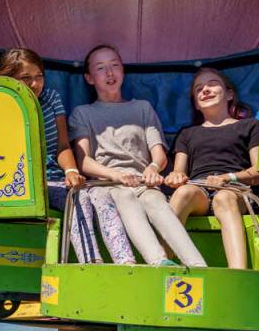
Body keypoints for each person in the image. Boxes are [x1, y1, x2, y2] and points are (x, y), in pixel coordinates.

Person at [69, 44, 206, 267]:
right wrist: (116, 175)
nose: (110, 73)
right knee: (126, 197)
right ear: (89, 78)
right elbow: (84, 161)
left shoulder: (142, 108)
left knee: (156, 200)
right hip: (108, 184)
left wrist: (152, 168)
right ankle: (158, 261)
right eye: (101, 68)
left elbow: (159, 154)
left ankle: (197, 264)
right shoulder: (83, 113)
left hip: (142, 181)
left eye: (115, 65)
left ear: (123, 71)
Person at [0, 48, 134, 264]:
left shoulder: (51, 99)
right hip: (20, 183)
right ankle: (90, 262)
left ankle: (125, 262)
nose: (35, 84)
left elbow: (62, 145)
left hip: (54, 178)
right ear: (9, 79)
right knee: (76, 199)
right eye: (26, 78)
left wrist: (71, 171)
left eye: (39, 76)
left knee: (95, 194)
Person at [166, 68, 259, 269]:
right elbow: (179, 171)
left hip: (236, 190)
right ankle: (162, 262)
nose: (205, 90)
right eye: (199, 89)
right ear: (196, 103)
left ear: (229, 94)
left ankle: (238, 272)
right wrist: (175, 176)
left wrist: (229, 178)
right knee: (184, 192)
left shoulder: (250, 126)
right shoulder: (187, 134)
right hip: (199, 192)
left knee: (224, 198)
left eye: (212, 84)